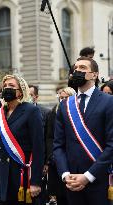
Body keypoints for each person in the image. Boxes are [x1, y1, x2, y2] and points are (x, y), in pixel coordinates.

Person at [53, 57, 113, 205]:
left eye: (83, 68)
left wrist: (88, 176)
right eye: (76, 68)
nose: (77, 70)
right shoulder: (65, 105)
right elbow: (58, 145)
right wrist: (65, 174)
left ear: (94, 74)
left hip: (98, 180)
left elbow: (112, 145)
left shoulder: (109, 102)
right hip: (71, 182)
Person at [0, 75, 44, 205]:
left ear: (20, 91)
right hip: (2, 176)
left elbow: (38, 148)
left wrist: (35, 181)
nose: (7, 88)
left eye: (11, 86)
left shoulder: (31, 111)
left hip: (22, 178)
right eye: (5, 86)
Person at [46, 86, 76, 205]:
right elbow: (49, 136)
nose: (63, 100)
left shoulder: (78, 113)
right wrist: (51, 155)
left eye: (66, 97)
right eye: (61, 97)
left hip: (73, 159)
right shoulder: (54, 111)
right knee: (61, 195)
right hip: (57, 159)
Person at [29, 84, 50, 205]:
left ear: (36, 97)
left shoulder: (45, 113)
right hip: (24, 160)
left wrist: (46, 162)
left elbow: (48, 138)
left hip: (39, 161)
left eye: (31, 95)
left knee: (38, 195)